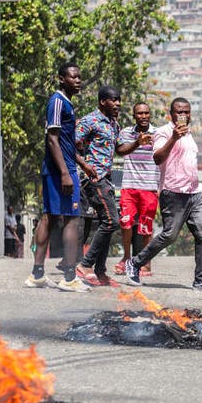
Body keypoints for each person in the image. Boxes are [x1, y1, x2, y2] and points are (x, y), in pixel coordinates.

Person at [122, 98, 202, 293]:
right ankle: (135, 263)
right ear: (171, 114)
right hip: (173, 193)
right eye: (179, 112)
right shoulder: (163, 132)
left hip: (193, 193)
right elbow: (157, 158)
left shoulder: (190, 134)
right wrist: (174, 138)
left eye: (187, 112)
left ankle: (201, 279)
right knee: (170, 235)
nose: (183, 115)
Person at [25, 62, 89, 292]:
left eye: (79, 77)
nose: (78, 80)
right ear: (61, 78)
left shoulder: (67, 103)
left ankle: (37, 275)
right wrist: (65, 172)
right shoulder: (58, 101)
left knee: (49, 217)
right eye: (73, 77)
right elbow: (52, 138)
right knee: (72, 219)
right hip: (60, 169)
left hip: (64, 166)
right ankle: (69, 277)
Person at [73, 85, 121, 287]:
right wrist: (85, 166)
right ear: (103, 102)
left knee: (106, 222)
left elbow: (119, 149)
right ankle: (85, 265)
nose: (118, 103)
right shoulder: (89, 121)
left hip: (107, 178)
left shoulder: (113, 124)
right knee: (111, 222)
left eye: (119, 100)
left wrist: (138, 143)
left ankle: (100, 272)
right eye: (113, 100)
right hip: (94, 178)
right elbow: (70, 146)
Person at [115, 102, 158, 276]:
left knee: (146, 226)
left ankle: (146, 262)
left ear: (150, 115)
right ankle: (126, 258)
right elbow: (122, 151)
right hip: (129, 186)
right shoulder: (125, 132)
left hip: (150, 186)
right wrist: (137, 142)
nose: (143, 116)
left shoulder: (158, 133)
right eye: (139, 113)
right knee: (125, 223)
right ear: (134, 116)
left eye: (146, 113)